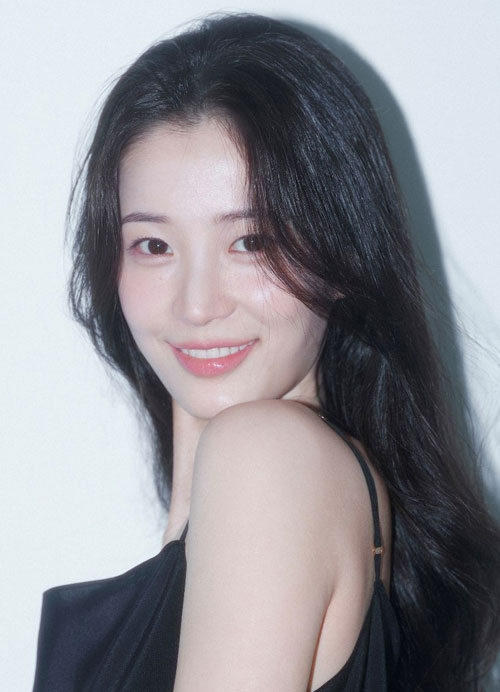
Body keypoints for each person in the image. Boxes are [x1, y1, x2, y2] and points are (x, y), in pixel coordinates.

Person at [33, 13, 500, 692]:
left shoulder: (266, 457)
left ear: (341, 254)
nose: (197, 305)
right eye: (154, 246)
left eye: (251, 241)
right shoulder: (289, 475)